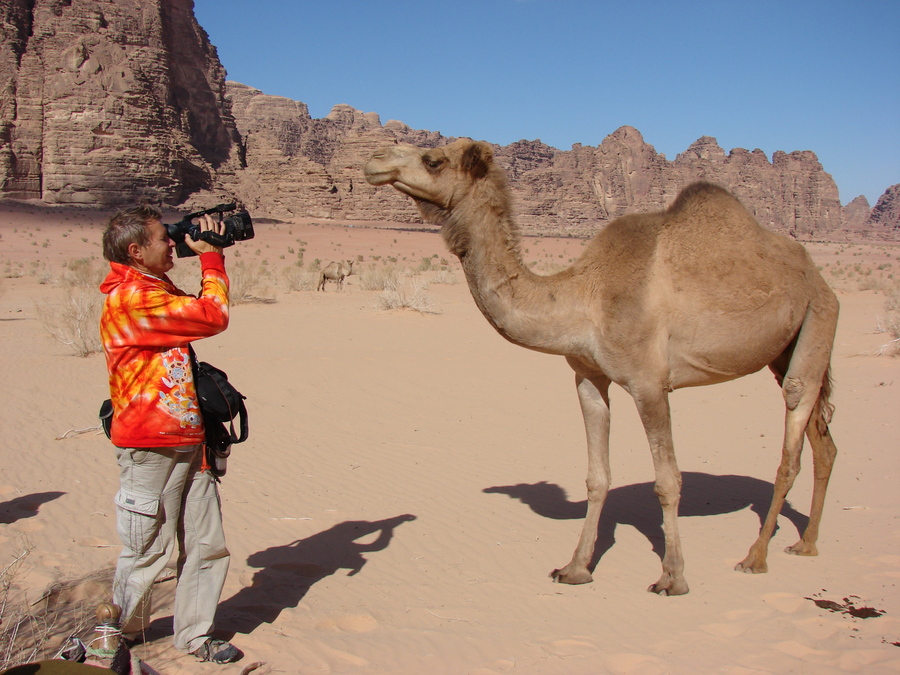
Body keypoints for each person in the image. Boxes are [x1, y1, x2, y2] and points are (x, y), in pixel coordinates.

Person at [99, 204, 240, 664]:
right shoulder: (131, 298)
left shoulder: (151, 285)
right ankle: (118, 634)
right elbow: (211, 316)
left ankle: (195, 635)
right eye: (165, 238)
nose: (173, 243)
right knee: (146, 548)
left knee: (206, 543)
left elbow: (192, 314)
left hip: (188, 439)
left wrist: (194, 246)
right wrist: (211, 258)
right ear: (136, 251)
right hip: (150, 444)